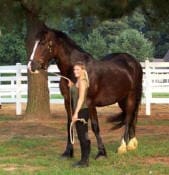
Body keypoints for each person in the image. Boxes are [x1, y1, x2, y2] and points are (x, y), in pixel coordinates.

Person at [68, 61, 90, 167]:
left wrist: (76, 113)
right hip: (80, 111)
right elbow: (76, 93)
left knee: (83, 137)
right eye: (74, 69)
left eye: (77, 69)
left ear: (82, 70)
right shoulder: (78, 81)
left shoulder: (82, 81)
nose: (75, 71)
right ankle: (84, 160)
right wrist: (72, 86)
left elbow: (81, 99)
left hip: (82, 111)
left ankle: (84, 161)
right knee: (82, 136)